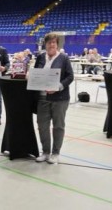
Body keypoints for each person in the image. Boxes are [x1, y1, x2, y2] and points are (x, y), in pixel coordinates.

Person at [34, 32, 74, 164]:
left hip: (60, 99)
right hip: (42, 98)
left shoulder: (64, 58)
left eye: (54, 43)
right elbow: (36, 74)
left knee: (58, 126)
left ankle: (55, 153)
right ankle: (45, 152)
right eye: (49, 42)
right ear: (45, 44)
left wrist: (59, 86)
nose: (51, 45)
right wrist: (31, 77)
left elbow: (70, 76)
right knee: (42, 125)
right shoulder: (40, 57)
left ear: (57, 45)